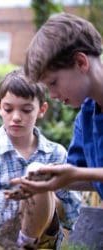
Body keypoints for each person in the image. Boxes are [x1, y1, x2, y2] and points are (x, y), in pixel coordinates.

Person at [0, 70, 81, 249]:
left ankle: (26, 244)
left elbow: (71, 208)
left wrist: (45, 195)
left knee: (36, 172)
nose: (16, 117)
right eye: (8, 109)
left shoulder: (56, 154)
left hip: (40, 240)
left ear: (42, 110)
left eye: (26, 110)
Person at [11, 13, 103, 199]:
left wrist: (78, 174)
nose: (52, 95)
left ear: (80, 62)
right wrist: (46, 179)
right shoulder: (86, 118)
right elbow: (81, 174)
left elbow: (83, 174)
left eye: (53, 83)